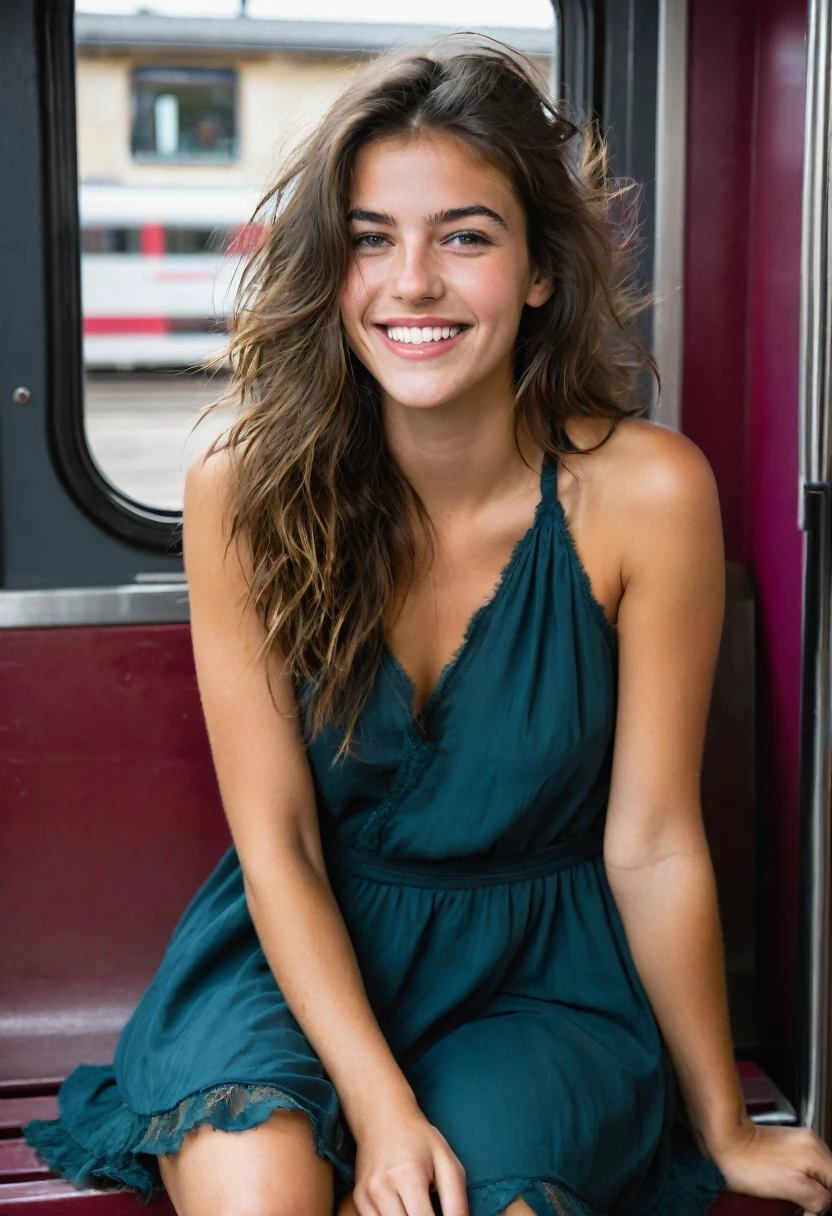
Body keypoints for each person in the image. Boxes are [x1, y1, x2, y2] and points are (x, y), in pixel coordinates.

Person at [24, 35, 832, 1216]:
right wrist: (381, 1107)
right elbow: (279, 844)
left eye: (464, 235)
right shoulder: (240, 486)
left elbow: (652, 841)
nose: (412, 282)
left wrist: (724, 1123)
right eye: (370, 238)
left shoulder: (647, 495)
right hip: (299, 945)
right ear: (331, 267)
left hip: (538, 972)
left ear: (541, 269)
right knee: (260, 1197)